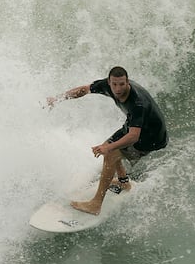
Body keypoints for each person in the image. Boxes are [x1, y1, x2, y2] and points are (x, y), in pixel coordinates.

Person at [46, 66, 168, 215]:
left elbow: (133, 137)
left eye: (122, 84)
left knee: (110, 153)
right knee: (106, 146)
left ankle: (95, 204)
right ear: (109, 82)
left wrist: (110, 149)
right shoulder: (107, 85)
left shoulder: (138, 103)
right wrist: (58, 98)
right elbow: (84, 89)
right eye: (114, 84)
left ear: (127, 82)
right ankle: (124, 183)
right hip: (132, 127)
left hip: (151, 137)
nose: (118, 88)